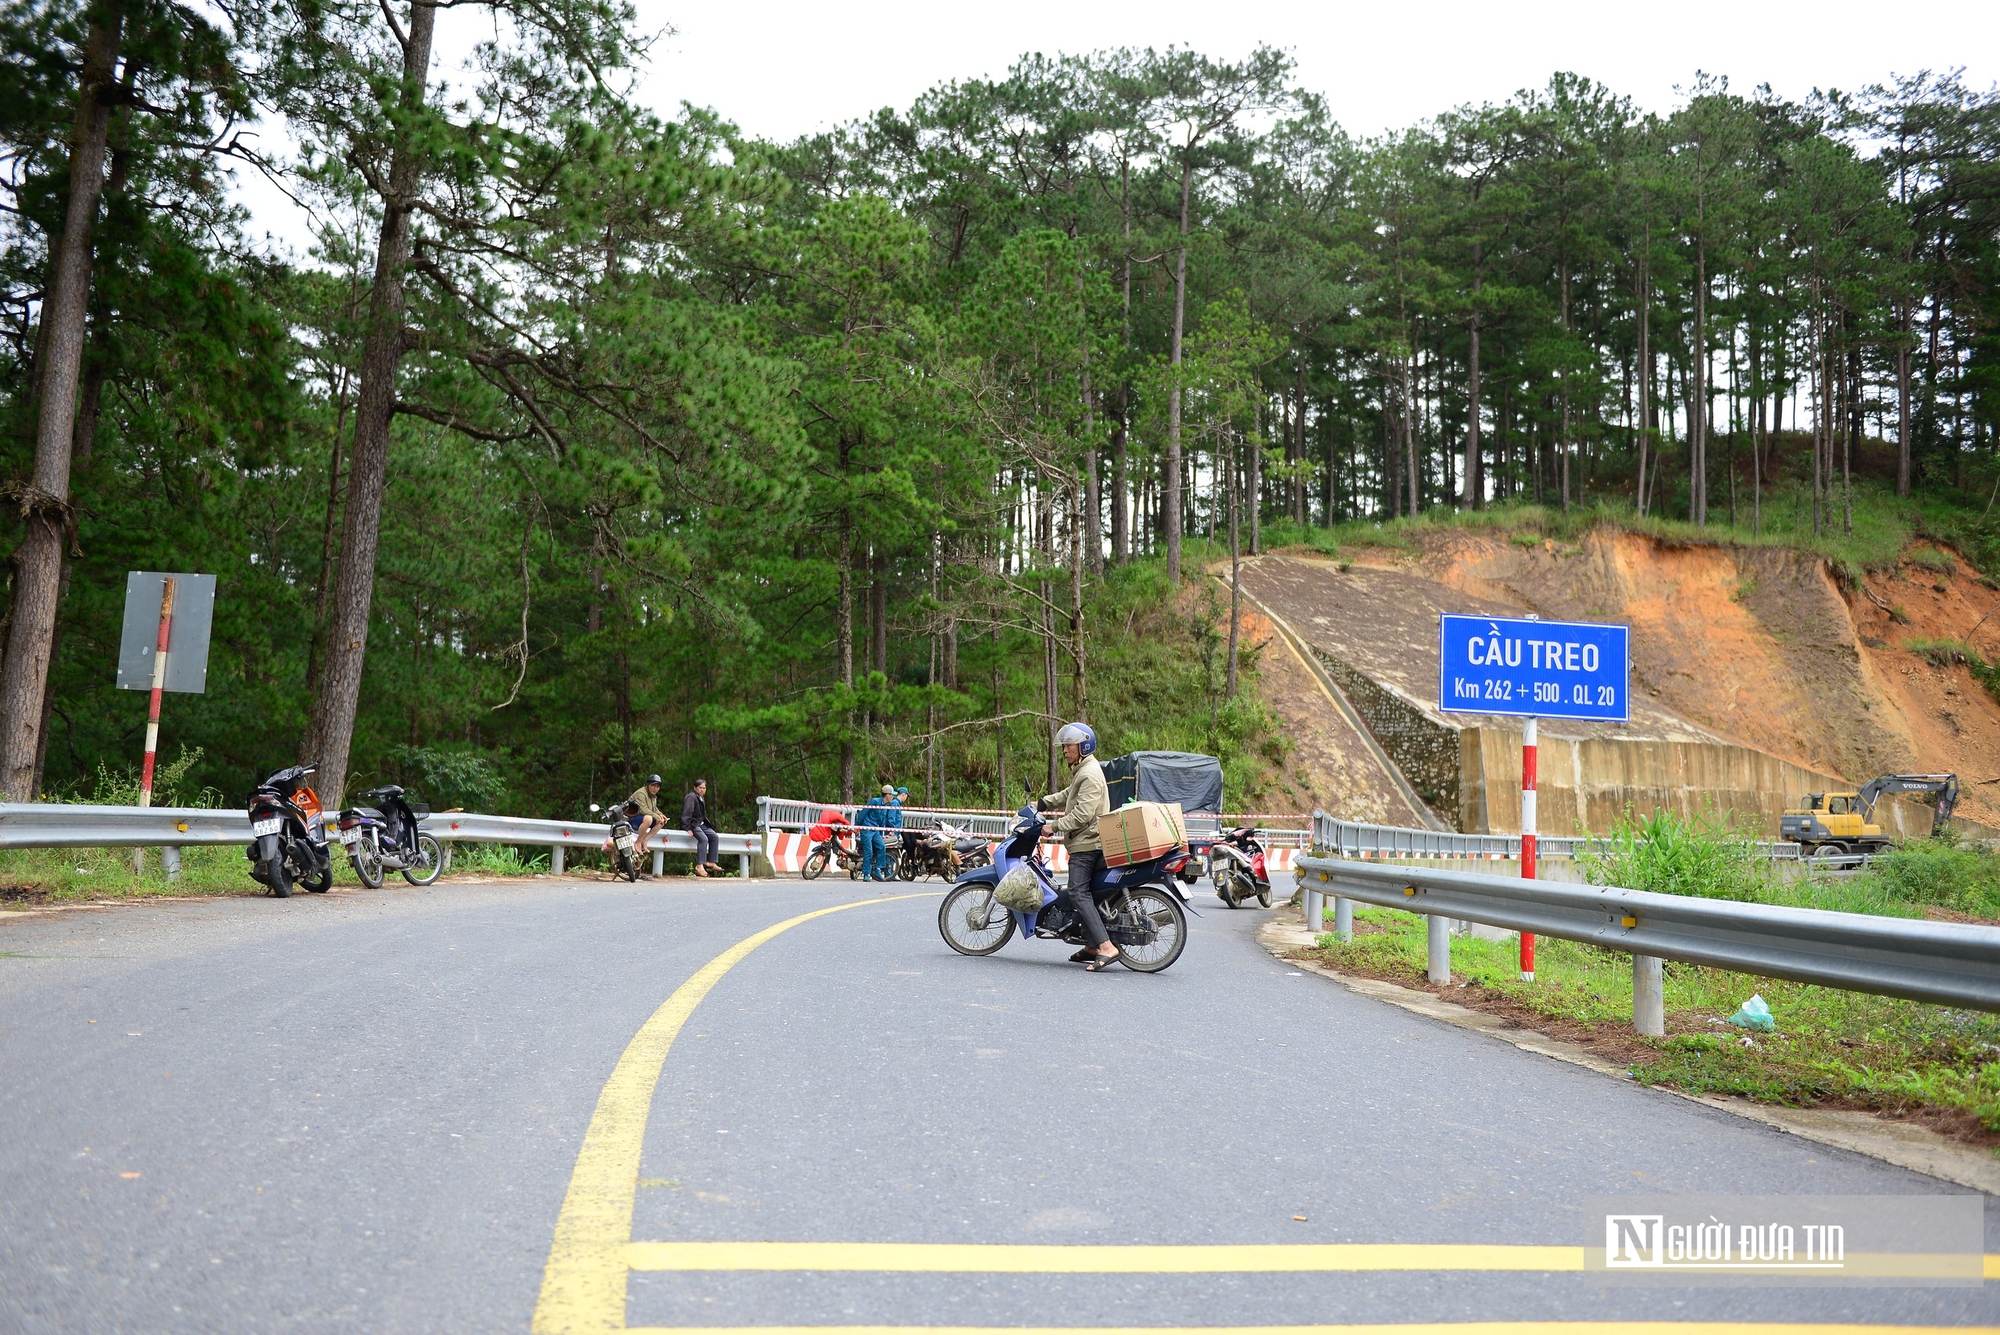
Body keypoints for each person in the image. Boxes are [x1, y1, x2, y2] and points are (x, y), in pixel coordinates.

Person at [1040, 722, 1114, 969]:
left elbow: (1083, 813)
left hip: (1087, 844)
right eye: (1064, 746)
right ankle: (1092, 944)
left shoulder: (1090, 773)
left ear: (1084, 745)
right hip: (1085, 841)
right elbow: (1068, 794)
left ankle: (1105, 946)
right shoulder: (1083, 770)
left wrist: (1055, 826)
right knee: (1085, 893)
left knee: (1077, 893)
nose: (1065, 751)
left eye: (1069, 746)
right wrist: (1042, 803)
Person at [682, 778, 723, 877]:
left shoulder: (700, 797)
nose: (702, 790)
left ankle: (711, 862)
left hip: (701, 824)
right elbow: (687, 812)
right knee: (703, 839)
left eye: (704, 788)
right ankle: (699, 865)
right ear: (695, 788)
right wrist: (687, 828)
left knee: (714, 837)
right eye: (700, 788)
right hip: (693, 824)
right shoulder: (691, 797)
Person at [627, 775, 669, 870]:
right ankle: (638, 842)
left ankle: (645, 840)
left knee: (661, 822)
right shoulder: (641, 793)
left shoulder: (653, 796)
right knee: (649, 818)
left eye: (657, 786)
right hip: (632, 817)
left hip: (643, 816)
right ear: (648, 785)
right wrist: (657, 817)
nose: (655, 788)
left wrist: (661, 815)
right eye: (653, 785)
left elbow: (654, 809)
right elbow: (643, 809)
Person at [857, 785, 892, 881]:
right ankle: (866, 873)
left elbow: (882, 821)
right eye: (892, 794)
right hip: (867, 829)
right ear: (887, 795)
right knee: (869, 852)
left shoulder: (885, 806)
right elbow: (863, 812)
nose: (893, 797)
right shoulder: (875, 801)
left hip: (875, 830)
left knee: (882, 847)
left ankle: (877, 869)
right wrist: (857, 825)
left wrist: (883, 833)